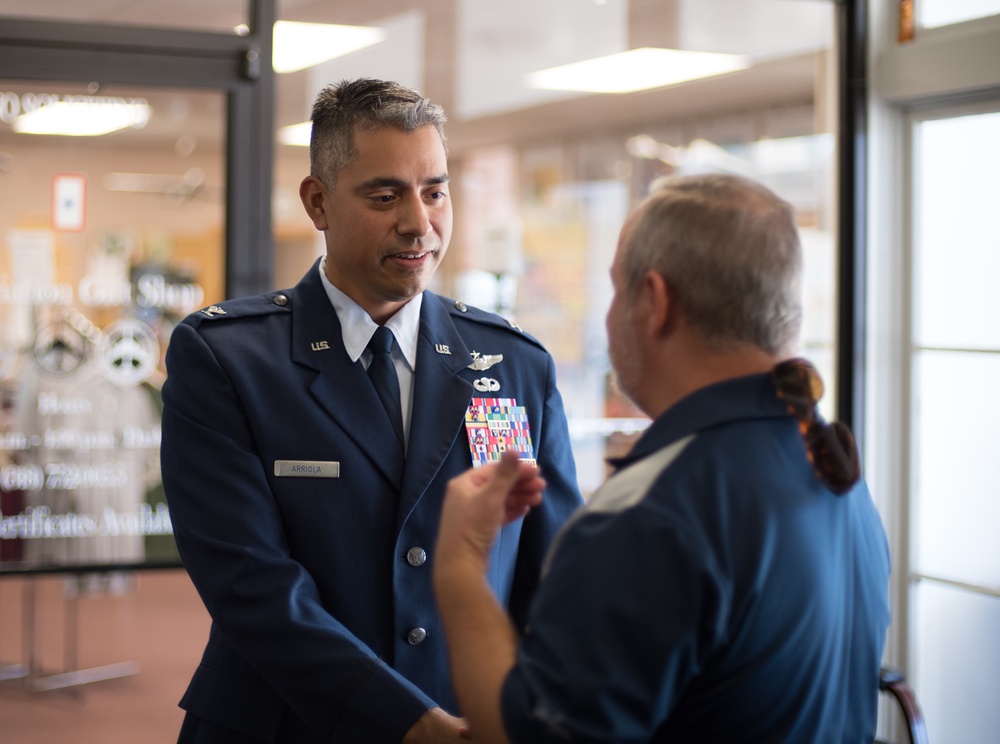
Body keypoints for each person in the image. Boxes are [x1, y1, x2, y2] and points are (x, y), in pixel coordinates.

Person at [160, 78, 581, 744]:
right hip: (284, 724)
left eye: (435, 191)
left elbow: (550, 570)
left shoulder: (514, 364)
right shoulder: (229, 360)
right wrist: (409, 723)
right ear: (318, 201)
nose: (419, 222)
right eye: (385, 195)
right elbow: (250, 584)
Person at [433, 173, 891, 743]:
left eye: (616, 291)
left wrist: (459, 567)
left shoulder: (650, 515)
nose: (609, 317)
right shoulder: (834, 471)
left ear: (654, 301)